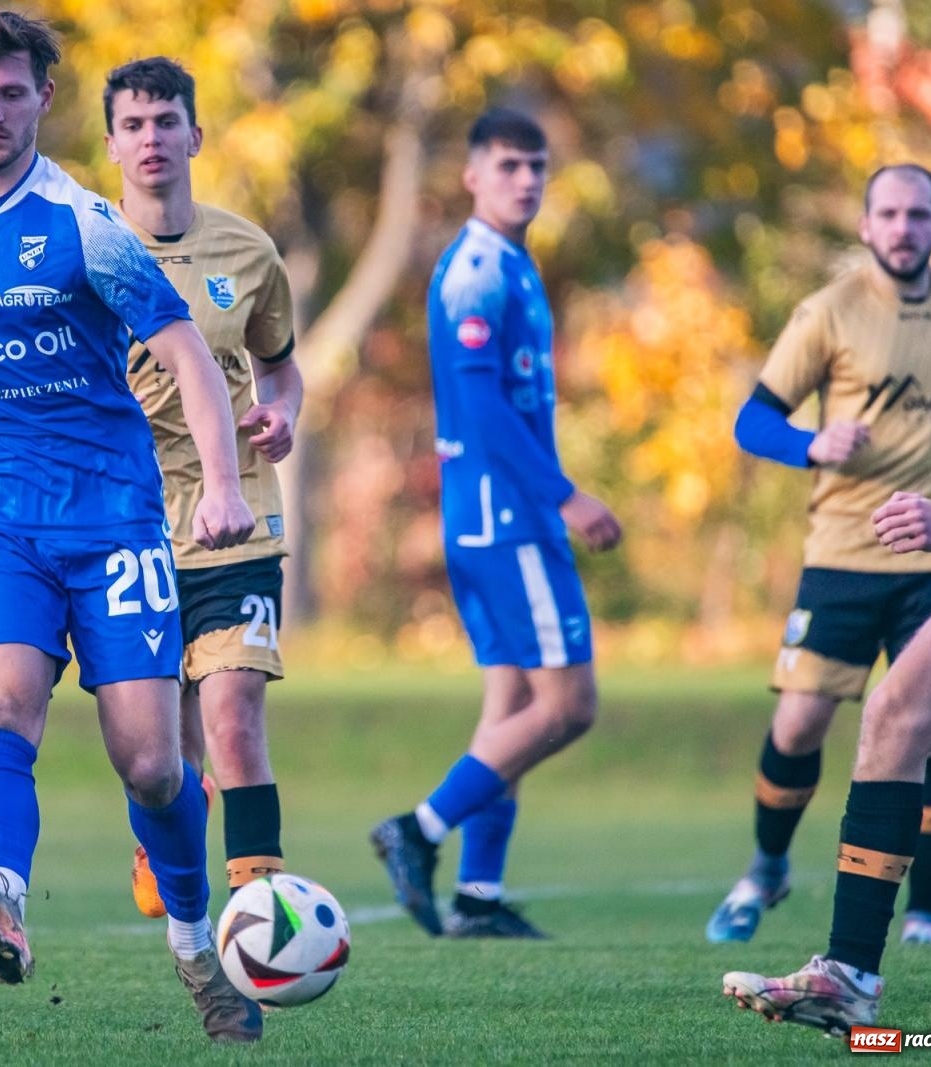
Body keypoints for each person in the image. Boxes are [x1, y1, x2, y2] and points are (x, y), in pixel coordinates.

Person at [0, 11, 262, 1043]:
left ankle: (194, 942)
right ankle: (0, 898)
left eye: (12, 92)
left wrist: (220, 484)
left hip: (114, 520)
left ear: (41, 100)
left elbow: (186, 353)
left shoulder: (86, 226)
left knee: (153, 766)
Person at [722, 86, 931, 1036]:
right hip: (854, 555)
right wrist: (812, 446)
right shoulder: (830, 309)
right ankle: (850, 973)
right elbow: (753, 417)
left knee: (912, 716)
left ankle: (912, 916)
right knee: (894, 714)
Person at [370, 107, 623, 940]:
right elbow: (478, 404)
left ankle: (478, 896)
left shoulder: (512, 264)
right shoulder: (475, 269)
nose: (527, 181)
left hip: (491, 522)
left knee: (512, 701)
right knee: (570, 705)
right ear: (472, 174)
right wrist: (565, 496)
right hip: (506, 522)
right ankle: (419, 829)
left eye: (538, 167)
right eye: (510, 165)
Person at [99, 57, 305, 914]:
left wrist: (283, 412)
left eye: (165, 121)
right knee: (163, 755)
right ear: (112, 144)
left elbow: (279, 367)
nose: (152, 138)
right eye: (134, 125)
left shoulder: (247, 250)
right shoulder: (86, 248)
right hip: (128, 531)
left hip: (239, 520)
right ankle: (169, 843)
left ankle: (262, 915)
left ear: (196, 134)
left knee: (233, 720)